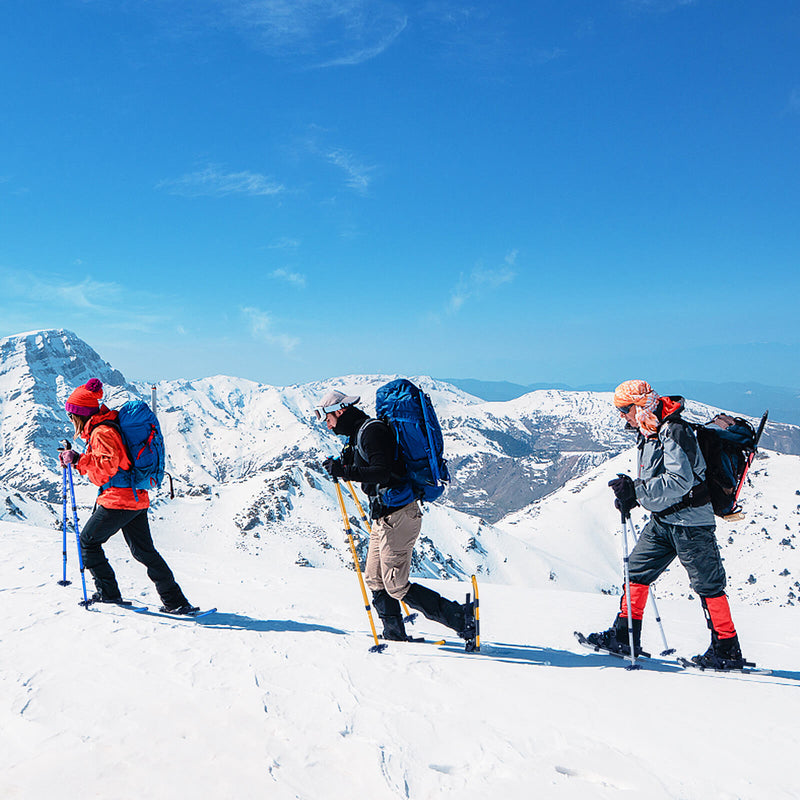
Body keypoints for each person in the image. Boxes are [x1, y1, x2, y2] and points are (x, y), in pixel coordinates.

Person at [586, 379, 747, 670]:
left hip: (690, 523)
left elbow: (680, 480)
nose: (621, 416)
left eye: (624, 409)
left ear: (638, 405)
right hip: (663, 520)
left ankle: (726, 648)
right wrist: (633, 494)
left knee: (708, 585)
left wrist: (636, 492)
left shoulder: (674, 431)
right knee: (635, 571)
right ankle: (625, 636)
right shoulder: (649, 430)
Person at [315, 390, 475, 644]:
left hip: (400, 515)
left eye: (327, 417)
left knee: (396, 585)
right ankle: (394, 633)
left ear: (340, 411)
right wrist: (344, 463)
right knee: (374, 578)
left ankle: (459, 617)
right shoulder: (358, 435)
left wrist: (345, 470)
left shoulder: (372, 432)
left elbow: (381, 471)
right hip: (384, 516)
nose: (327, 424)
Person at [59, 378, 197, 614]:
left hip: (117, 500)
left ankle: (108, 594)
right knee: (144, 551)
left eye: (72, 415)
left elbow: (106, 467)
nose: (71, 420)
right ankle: (176, 602)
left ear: (79, 415)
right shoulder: (105, 426)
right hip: (135, 498)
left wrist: (79, 461)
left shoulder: (101, 432)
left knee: (88, 543)